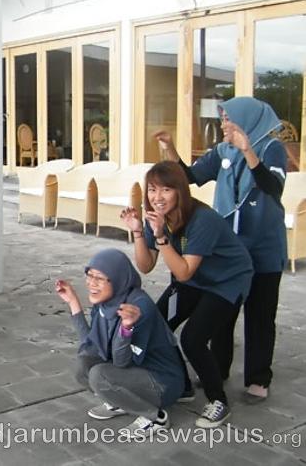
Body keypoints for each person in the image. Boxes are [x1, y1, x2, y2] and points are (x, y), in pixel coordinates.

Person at [155, 97, 287, 404]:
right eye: (223, 118)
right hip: (227, 250)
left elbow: (273, 187)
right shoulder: (222, 151)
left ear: (247, 121)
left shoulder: (272, 148)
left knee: (260, 315)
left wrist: (247, 150)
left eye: (228, 119)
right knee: (222, 312)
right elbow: (189, 177)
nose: (223, 124)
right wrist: (170, 149)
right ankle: (217, 369)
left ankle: (258, 379)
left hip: (264, 249)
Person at [120, 161, 253, 428]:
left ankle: (218, 401)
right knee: (156, 323)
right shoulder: (156, 217)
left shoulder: (202, 219)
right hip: (194, 279)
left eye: (166, 189)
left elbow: (183, 273)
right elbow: (146, 266)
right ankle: (182, 385)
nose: (157, 197)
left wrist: (160, 237)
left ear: (180, 191)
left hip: (227, 281)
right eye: (152, 189)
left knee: (193, 338)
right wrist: (137, 231)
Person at [56, 249, 184, 438]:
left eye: (99, 278)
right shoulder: (107, 301)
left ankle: (156, 417)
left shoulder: (138, 307)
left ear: (117, 278)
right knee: (83, 365)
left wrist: (126, 329)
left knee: (99, 376)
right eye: (89, 275)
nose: (91, 283)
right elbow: (90, 346)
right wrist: (73, 302)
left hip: (162, 383)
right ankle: (120, 401)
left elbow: (121, 361)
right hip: (135, 372)